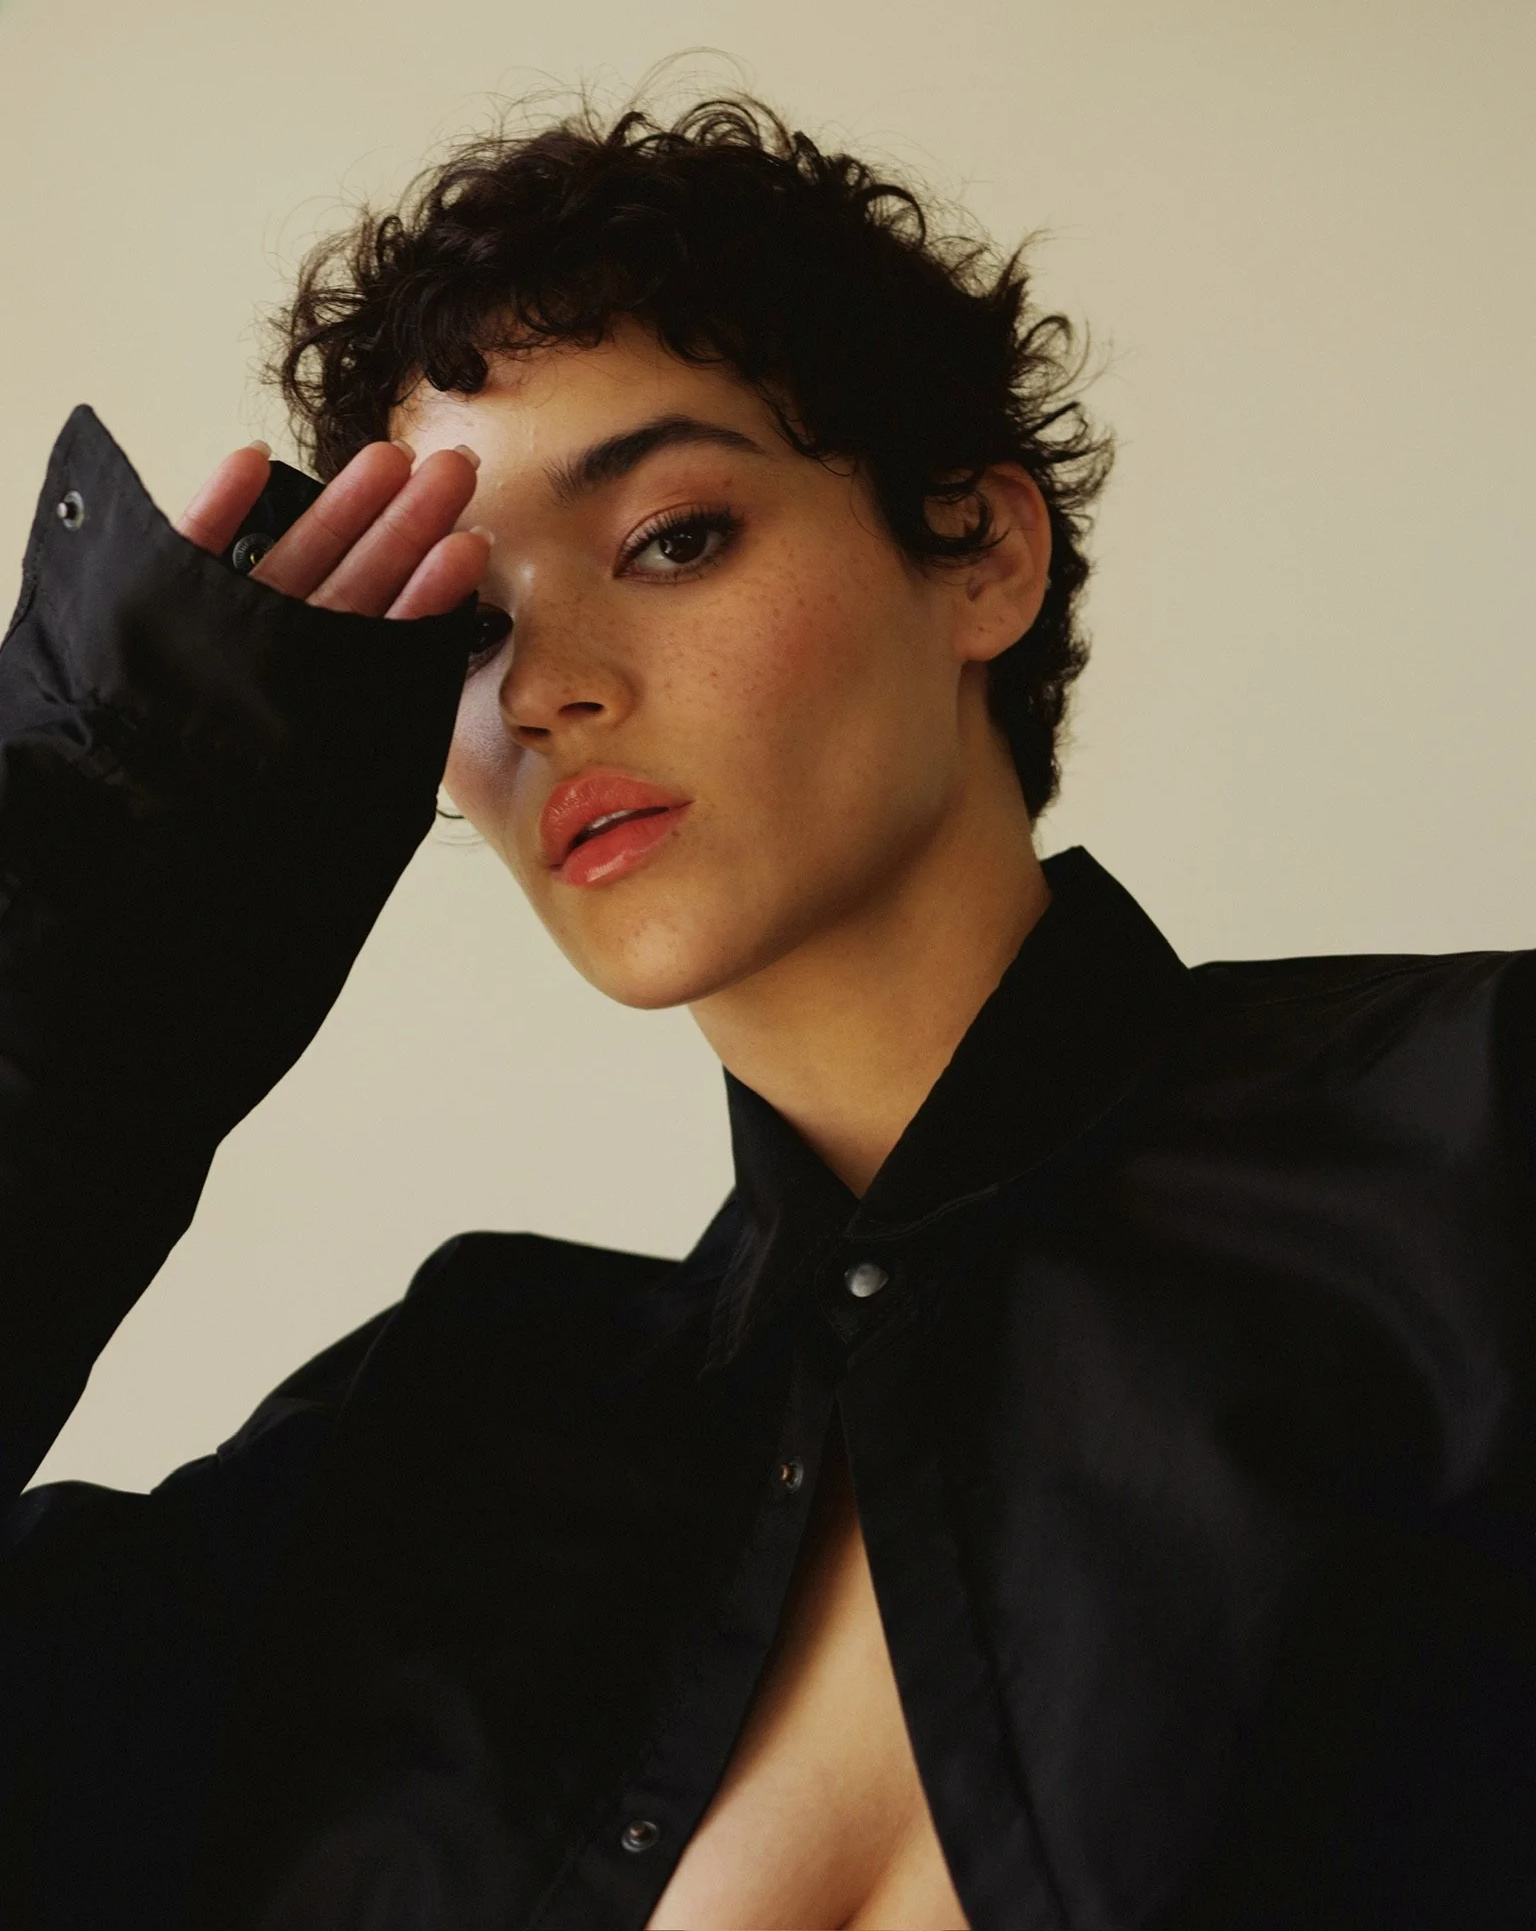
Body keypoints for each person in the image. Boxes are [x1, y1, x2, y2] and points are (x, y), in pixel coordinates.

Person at [1, 92, 1533, 1931]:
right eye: (469, 631)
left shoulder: (1476, 1157)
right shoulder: (429, 1466)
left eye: (670, 537)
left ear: (980, 555)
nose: (550, 686)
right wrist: (103, 906)